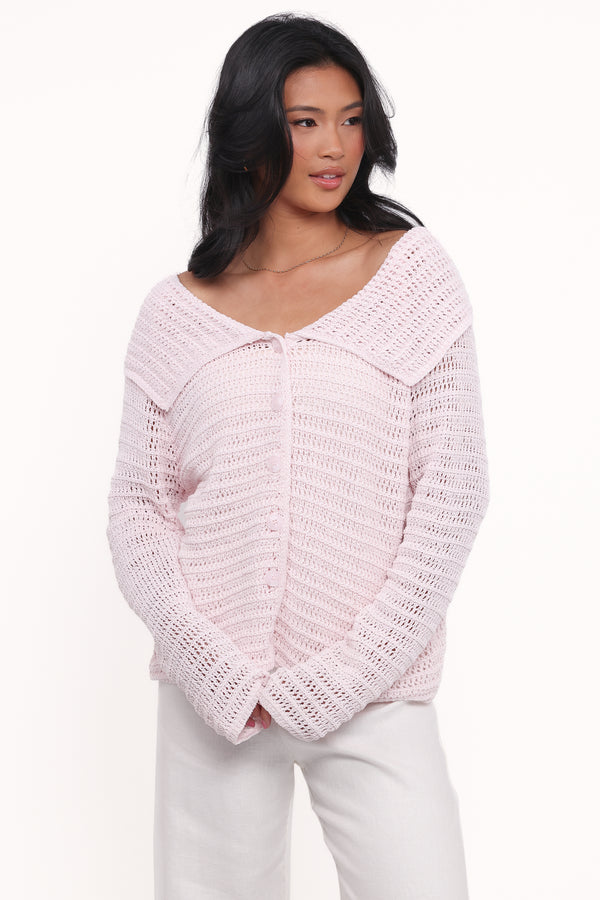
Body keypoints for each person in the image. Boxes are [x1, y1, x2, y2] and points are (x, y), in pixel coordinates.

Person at [106, 12, 490, 900]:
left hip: (373, 688)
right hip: (215, 698)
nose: (335, 146)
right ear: (249, 134)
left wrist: (351, 672)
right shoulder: (176, 311)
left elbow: (453, 490)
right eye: (305, 121)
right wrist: (206, 663)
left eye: (351, 119)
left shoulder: (411, 276)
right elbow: (138, 506)